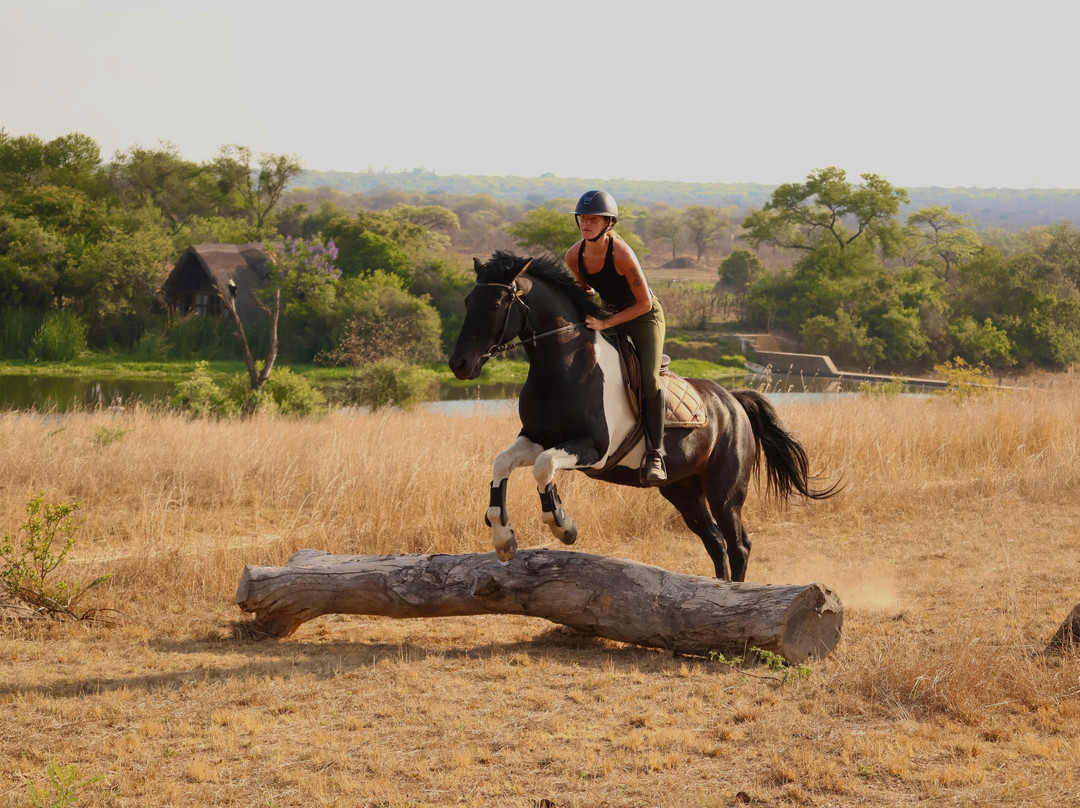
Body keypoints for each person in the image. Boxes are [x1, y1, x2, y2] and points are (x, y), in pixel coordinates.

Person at [565, 190, 668, 484]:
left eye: (593, 219)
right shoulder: (574, 256)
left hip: (644, 317)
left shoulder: (621, 254)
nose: (586, 224)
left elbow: (644, 304)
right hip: (609, 315)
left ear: (608, 223)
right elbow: (585, 291)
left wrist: (605, 321)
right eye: (583, 218)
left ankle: (655, 453)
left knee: (649, 378)